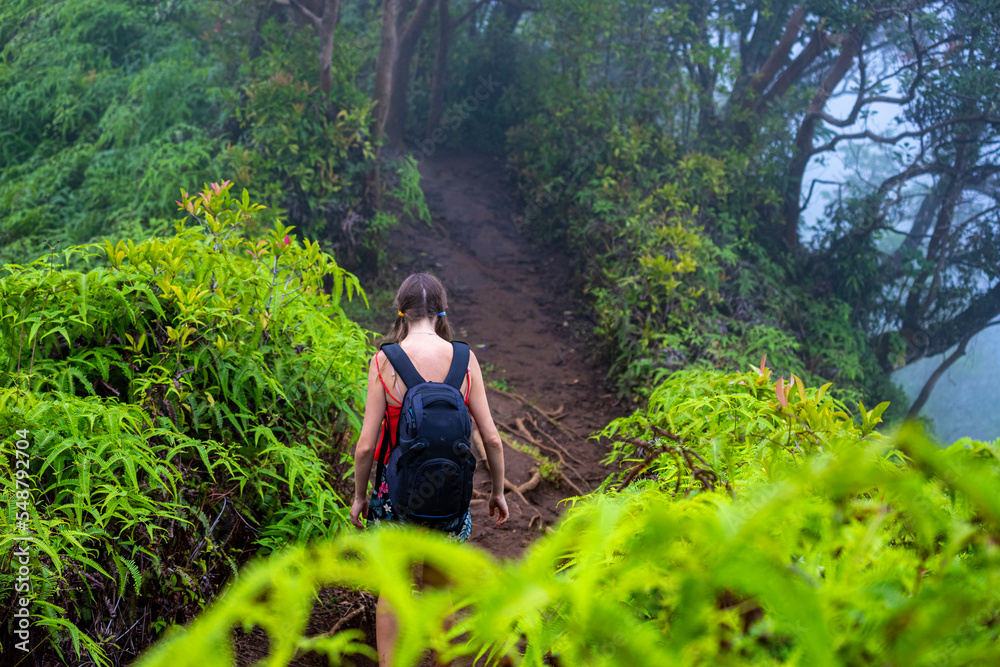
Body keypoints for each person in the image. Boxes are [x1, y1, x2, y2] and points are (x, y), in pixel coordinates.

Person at [349, 272, 509, 667]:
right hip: (448, 496)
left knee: (393, 587)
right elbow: (492, 440)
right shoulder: (465, 359)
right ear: (442, 311)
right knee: (439, 588)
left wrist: (359, 497)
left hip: (394, 499)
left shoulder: (385, 360)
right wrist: (498, 492)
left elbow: (366, 445)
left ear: (400, 311)